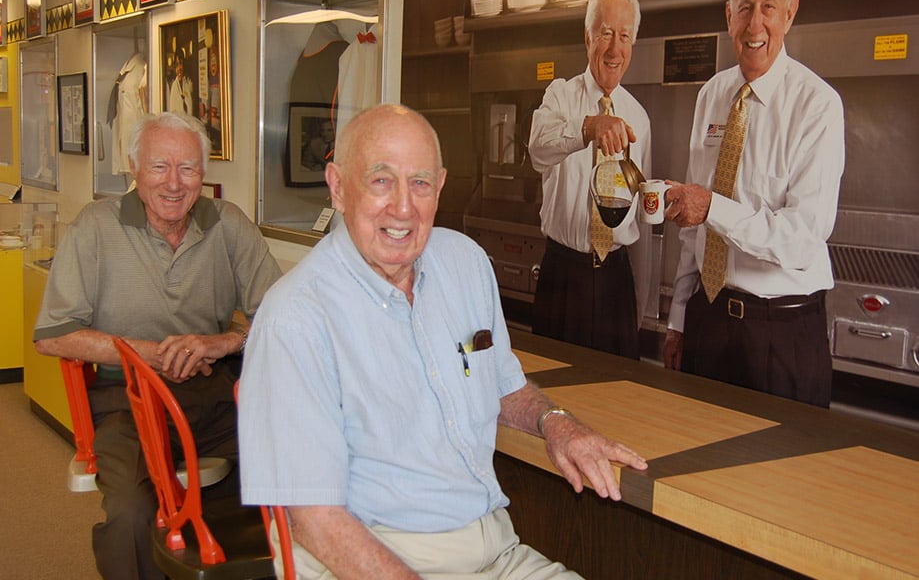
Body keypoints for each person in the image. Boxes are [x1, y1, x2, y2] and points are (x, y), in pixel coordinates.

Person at [238, 104, 647, 580]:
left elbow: (501, 383)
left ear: (440, 186)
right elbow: (312, 521)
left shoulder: (467, 263)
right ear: (337, 186)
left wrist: (558, 424)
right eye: (380, 180)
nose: (403, 208)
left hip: (495, 552)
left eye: (420, 183)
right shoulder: (293, 319)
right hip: (369, 560)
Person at [34, 111, 282, 580]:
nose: (174, 183)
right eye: (159, 166)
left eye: (187, 168)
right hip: (126, 400)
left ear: (203, 174)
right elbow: (54, 336)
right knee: (131, 512)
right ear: (134, 167)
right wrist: (150, 353)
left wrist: (223, 342)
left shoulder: (228, 224)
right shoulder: (95, 228)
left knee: (288, 472)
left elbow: (282, 318)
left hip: (213, 392)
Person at [662, 0, 845, 408]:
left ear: (790, 12)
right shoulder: (710, 96)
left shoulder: (817, 105)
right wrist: (680, 317)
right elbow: (693, 226)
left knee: (784, 476)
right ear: (729, 16)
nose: (755, 24)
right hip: (708, 321)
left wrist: (713, 208)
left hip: (781, 332)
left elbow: (803, 238)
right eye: (744, 7)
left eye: (768, 6)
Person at [528, 0, 652, 359]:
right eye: (606, 34)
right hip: (564, 275)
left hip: (616, 279)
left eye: (625, 37)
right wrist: (588, 127)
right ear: (587, 37)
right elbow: (538, 149)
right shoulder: (560, 96)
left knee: (617, 402)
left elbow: (641, 215)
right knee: (552, 395)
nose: (615, 49)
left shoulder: (640, 119)